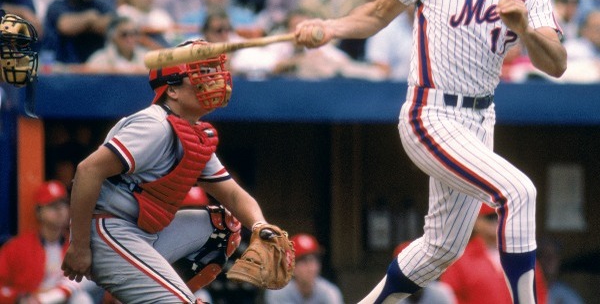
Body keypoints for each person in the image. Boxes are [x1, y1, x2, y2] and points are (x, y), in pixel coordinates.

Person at [295, 0, 567, 304]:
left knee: (441, 249)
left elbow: (556, 63)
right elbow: (376, 14)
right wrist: (328, 28)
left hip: (480, 119)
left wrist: (526, 31)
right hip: (431, 112)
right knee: (518, 191)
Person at [60, 39, 285, 303]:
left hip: (144, 234)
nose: (213, 79)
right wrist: (78, 245)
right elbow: (87, 171)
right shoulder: (154, 124)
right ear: (173, 91)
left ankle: (146, 292)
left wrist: (261, 226)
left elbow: (234, 197)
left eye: (213, 71)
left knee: (224, 226)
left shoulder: (192, 133)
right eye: (201, 73)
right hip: (108, 229)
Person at [0, 180, 101, 304]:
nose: (60, 210)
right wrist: (19, 297)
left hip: (63, 299)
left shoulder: (79, 245)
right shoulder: (16, 247)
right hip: (32, 301)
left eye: (63, 204)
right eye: (52, 205)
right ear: (38, 211)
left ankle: (53, 295)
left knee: (82, 299)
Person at [439, 204, 548, 304]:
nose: (498, 222)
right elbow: (450, 298)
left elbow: (539, 295)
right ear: (476, 221)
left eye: (502, 217)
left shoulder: (523, 256)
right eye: (491, 217)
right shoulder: (460, 259)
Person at [265, 233, 344, 304]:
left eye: (314, 260)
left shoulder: (329, 292)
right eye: (305, 262)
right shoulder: (279, 292)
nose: (312, 268)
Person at [536, 237, 584, 304]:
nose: (549, 259)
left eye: (553, 255)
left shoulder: (567, 294)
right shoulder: (527, 292)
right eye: (544, 255)